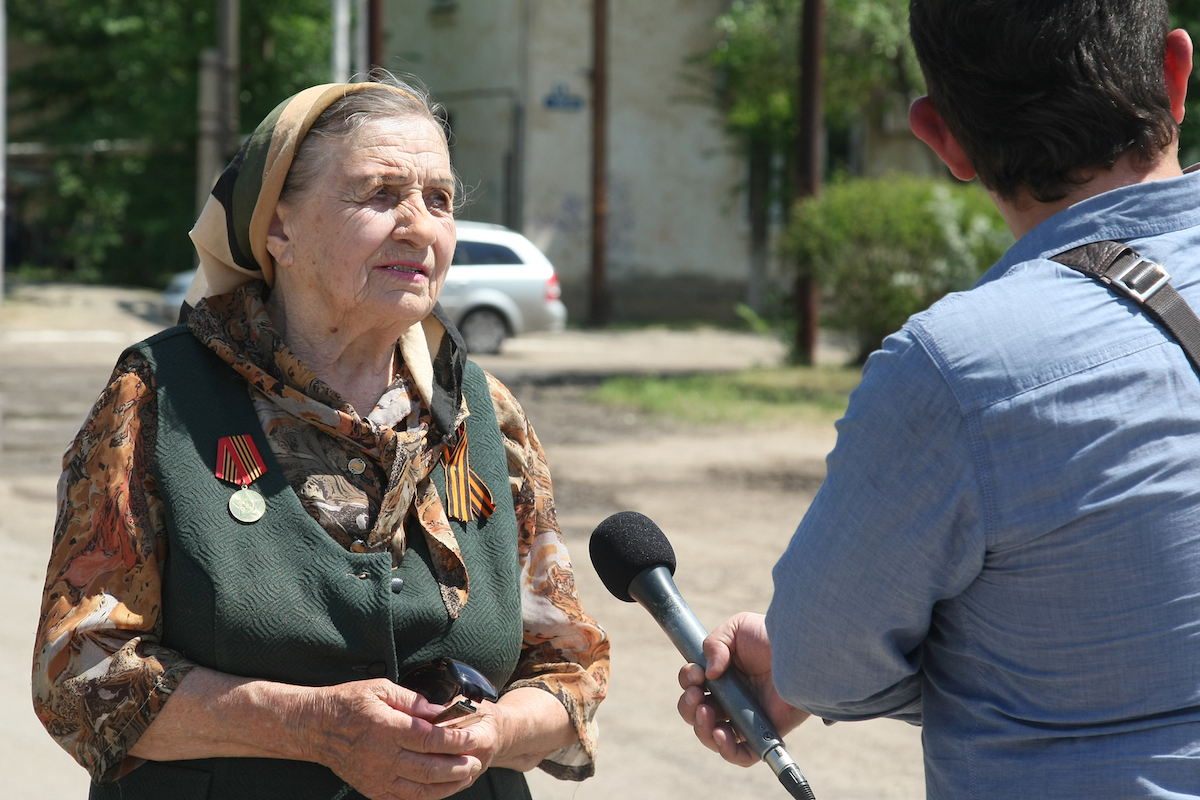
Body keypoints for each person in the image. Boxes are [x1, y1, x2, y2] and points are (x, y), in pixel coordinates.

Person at [32, 77, 609, 800]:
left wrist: (493, 734)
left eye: (439, 199)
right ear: (278, 227)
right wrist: (310, 726)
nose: (419, 225)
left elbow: (569, 671)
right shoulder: (160, 398)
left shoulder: (485, 414)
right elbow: (77, 674)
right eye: (379, 195)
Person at [678, 2, 1200, 797]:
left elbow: (820, 664)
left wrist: (1002, 671)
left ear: (942, 138)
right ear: (1175, 74)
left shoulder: (957, 370)